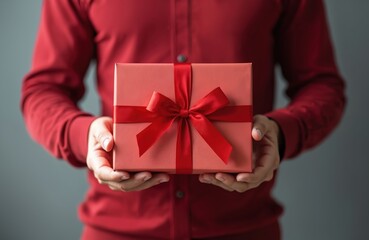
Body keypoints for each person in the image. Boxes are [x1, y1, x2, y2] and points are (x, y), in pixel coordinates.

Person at [21, 0, 346, 239]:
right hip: (116, 229)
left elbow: (322, 87)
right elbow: (43, 90)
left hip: (244, 228)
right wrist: (83, 136)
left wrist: (281, 133)